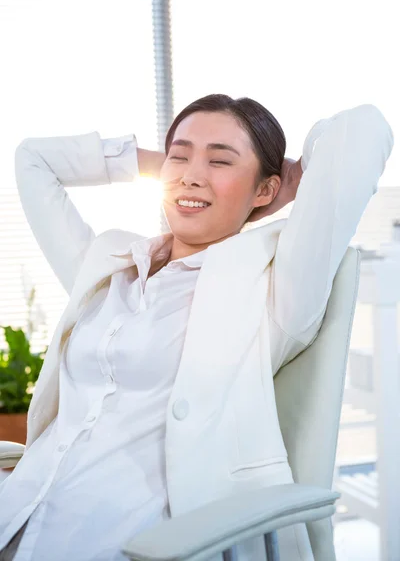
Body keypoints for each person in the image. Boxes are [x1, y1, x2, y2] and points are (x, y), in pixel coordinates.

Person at [0, 94, 393, 561]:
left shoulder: (269, 294)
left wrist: (288, 180)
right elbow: (33, 160)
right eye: (180, 156)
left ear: (266, 190)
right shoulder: (108, 267)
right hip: (20, 510)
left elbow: (364, 131)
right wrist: (164, 163)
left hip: (123, 541)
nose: (191, 173)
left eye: (221, 160)